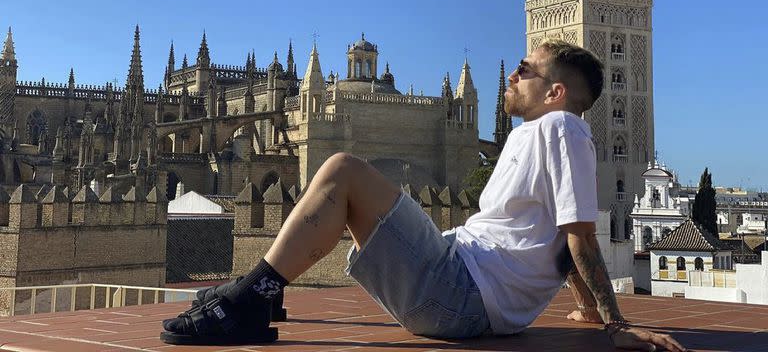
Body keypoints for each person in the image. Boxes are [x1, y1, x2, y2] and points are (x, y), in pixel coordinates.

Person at [161, 39, 686, 352]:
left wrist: (617, 325)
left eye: (528, 69)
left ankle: (253, 298)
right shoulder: (539, 136)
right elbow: (554, 233)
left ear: (556, 94)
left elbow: (578, 234)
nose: (515, 71)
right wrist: (591, 313)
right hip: (458, 285)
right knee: (343, 176)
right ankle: (262, 291)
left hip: (461, 293)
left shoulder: (564, 130)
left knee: (342, 170)